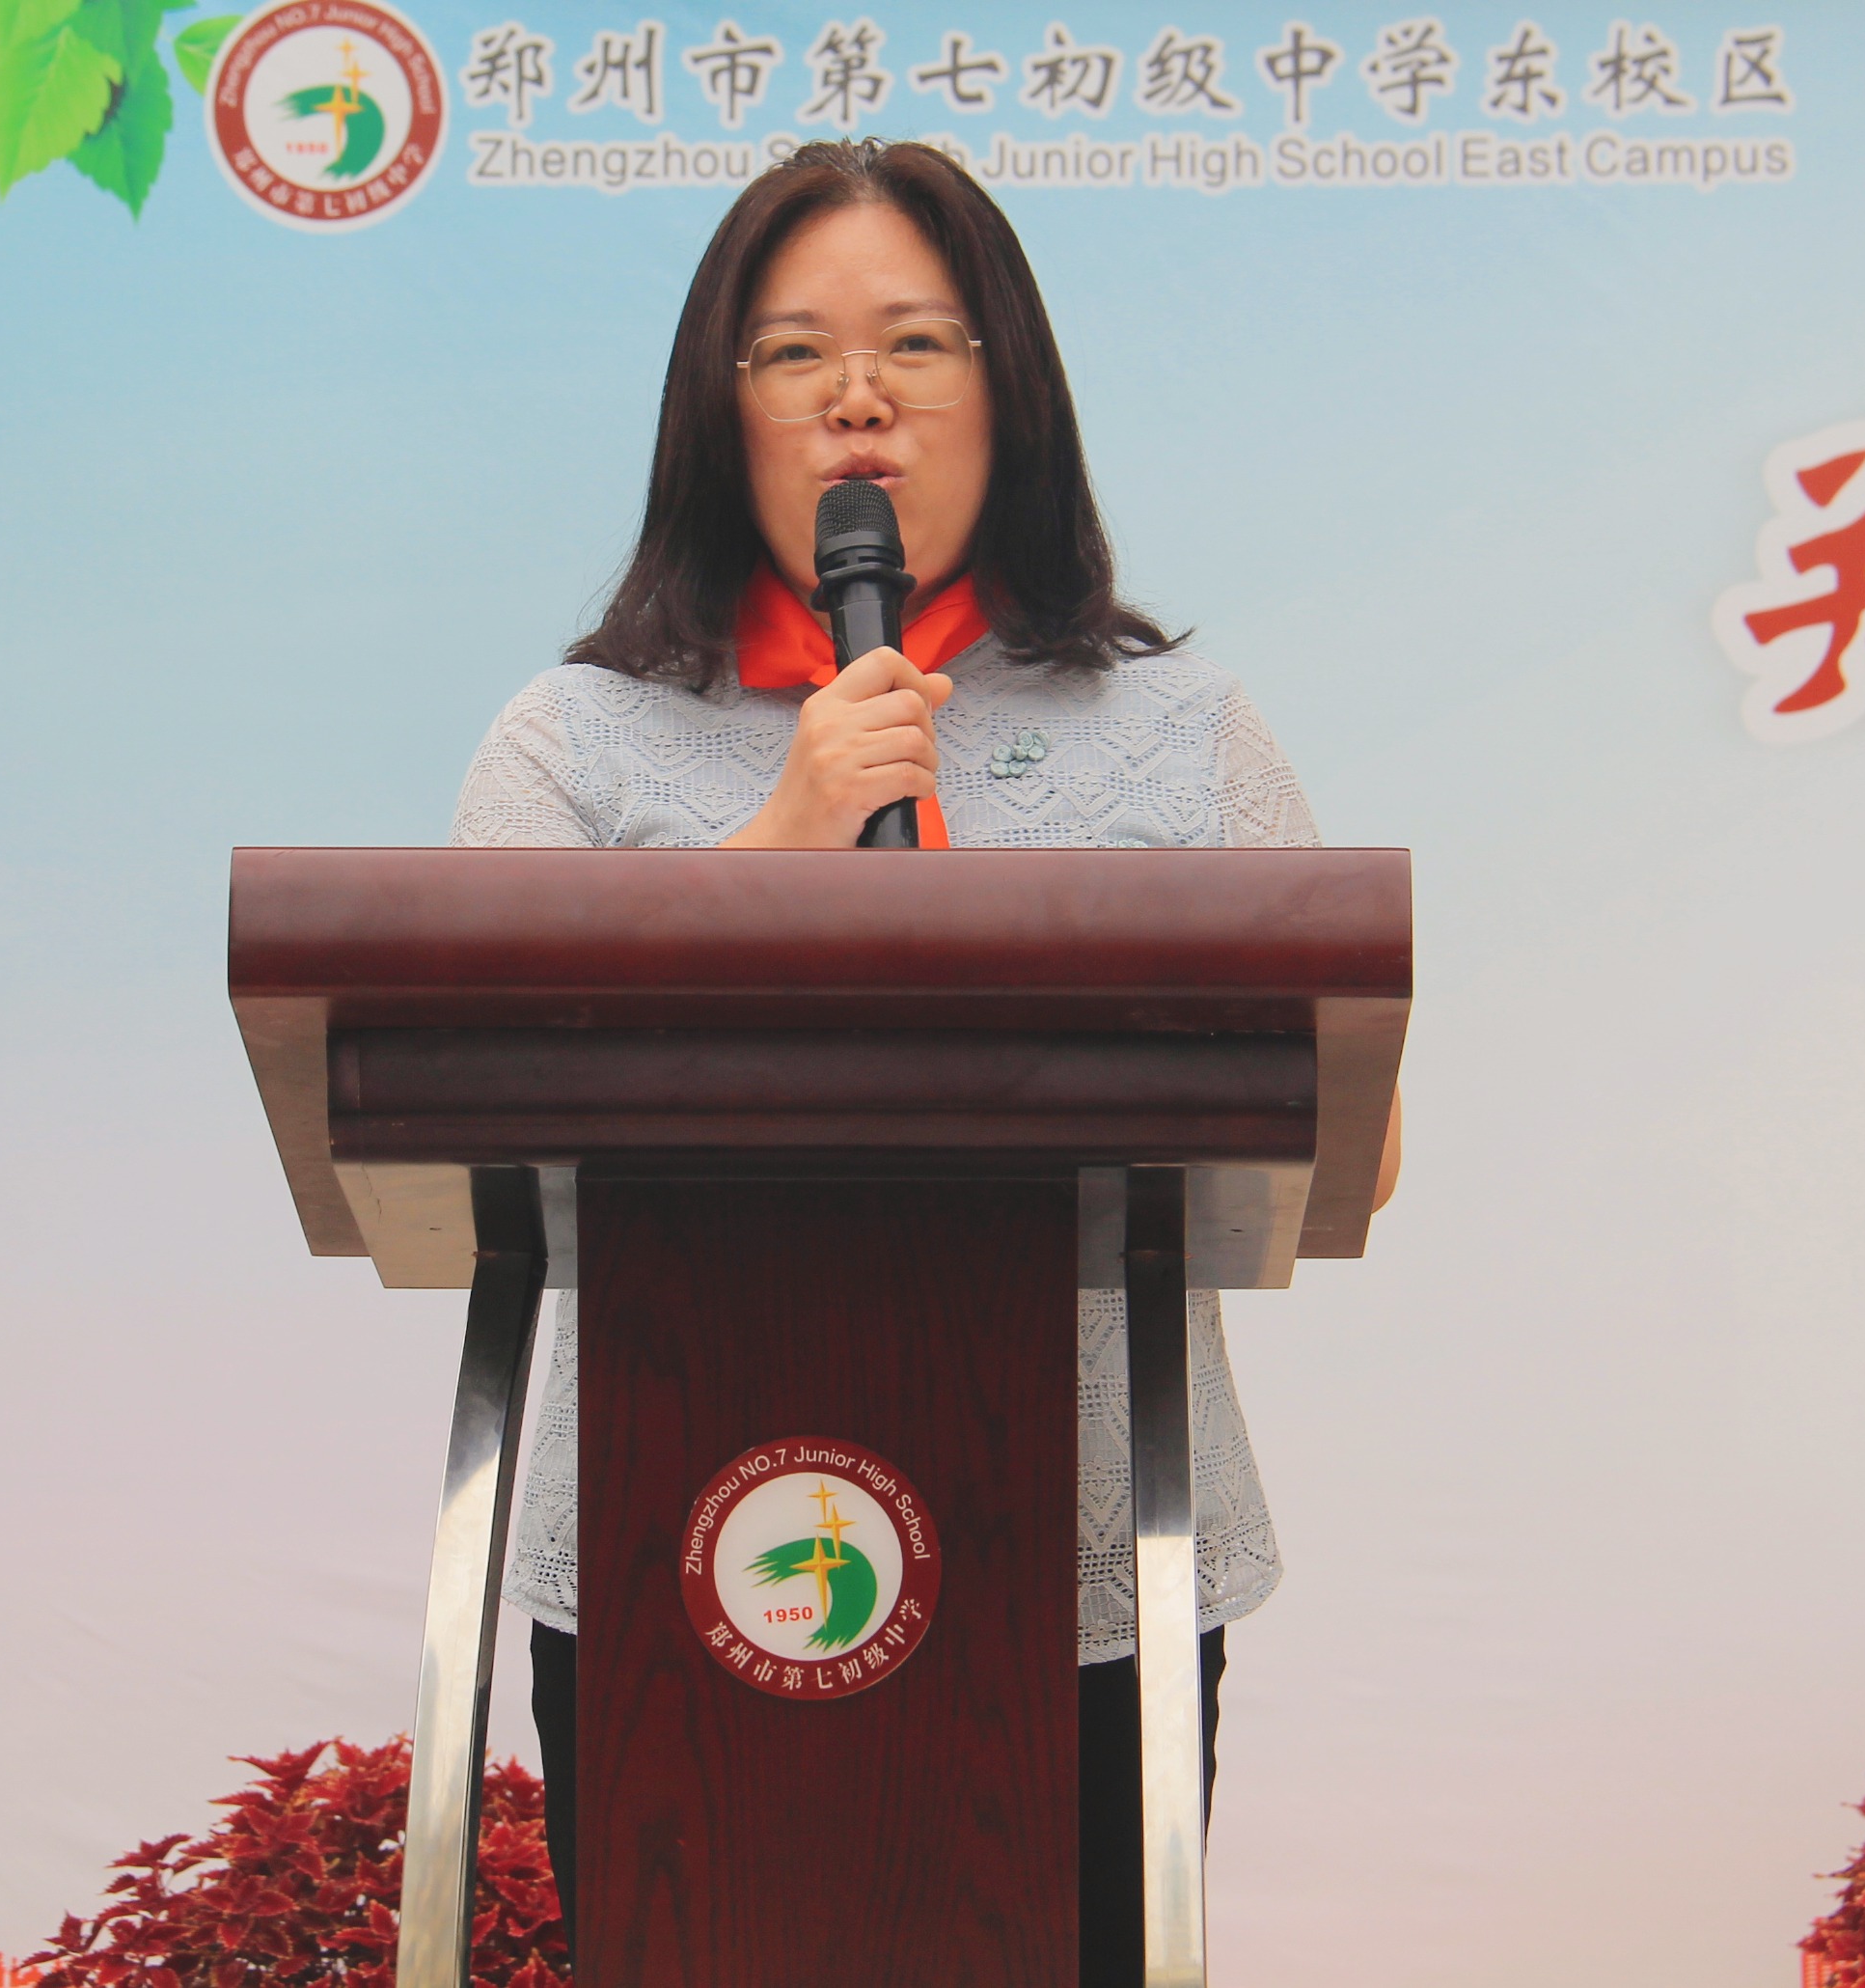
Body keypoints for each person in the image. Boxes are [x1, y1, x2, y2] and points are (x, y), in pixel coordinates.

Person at [450, 136, 1399, 1986]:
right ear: (716, 409)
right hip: (673, 1564)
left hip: (1090, 1569)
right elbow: (479, 1072)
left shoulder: (1181, 734)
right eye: (793, 352)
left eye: (914, 344)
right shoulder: (575, 741)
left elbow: (1349, 1147)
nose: (857, 397)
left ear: (1009, 387)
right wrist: (781, 846)